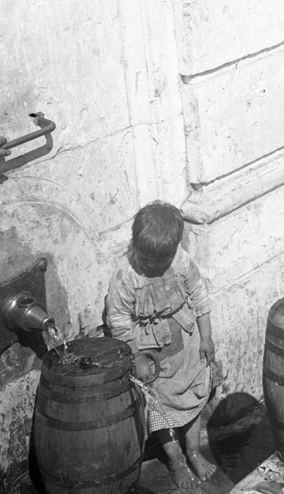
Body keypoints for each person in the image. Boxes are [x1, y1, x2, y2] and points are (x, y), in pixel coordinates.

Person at [105, 201, 217, 489]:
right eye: (146, 259)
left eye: (159, 261)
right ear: (135, 244)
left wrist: (206, 337)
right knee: (159, 408)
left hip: (187, 345)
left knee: (194, 396)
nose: (151, 266)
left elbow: (200, 299)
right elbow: (118, 322)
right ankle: (177, 459)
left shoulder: (181, 263)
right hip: (150, 355)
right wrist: (136, 359)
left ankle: (194, 451)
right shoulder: (126, 276)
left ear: (172, 250)